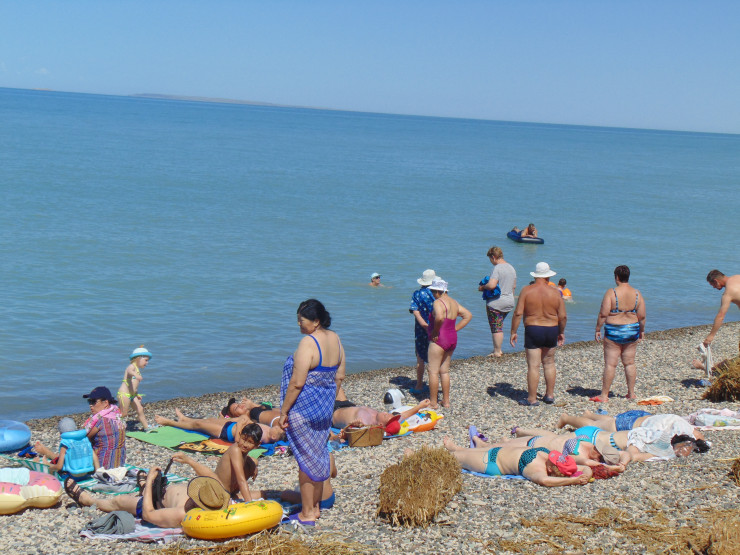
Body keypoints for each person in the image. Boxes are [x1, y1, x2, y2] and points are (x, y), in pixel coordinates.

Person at [279, 299, 346, 526]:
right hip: (323, 411)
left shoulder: (308, 343)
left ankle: (307, 513)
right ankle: (315, 507)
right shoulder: (335, 339)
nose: (299, 324)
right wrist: (327, 402)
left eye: (302, 320)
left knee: (305, 461)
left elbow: (297, 383)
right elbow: (339, 376)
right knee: (317, 455)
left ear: (316, 321)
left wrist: (284, 411)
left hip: (303, 412)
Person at [64, 472, 228, 528]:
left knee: (118, 501)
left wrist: (149, 481)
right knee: (150, 485)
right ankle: (144, 487)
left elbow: (149, 514)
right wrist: (189, 460)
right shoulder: (215, 498)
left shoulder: (181, 513)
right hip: (163, 491)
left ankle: (88, 500)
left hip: (154, 504)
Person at [510, 262, 567, 406]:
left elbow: (518, 313)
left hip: (533, 328)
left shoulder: (526, 290)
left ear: (535, 276)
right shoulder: (555, 292)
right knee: (549, 363)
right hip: (551, 329)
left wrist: (513, 331)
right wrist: (561, 332)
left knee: (533, 366)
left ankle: (532, 399)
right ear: (548, 276)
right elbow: (563, 316)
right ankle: (549, 395)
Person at [592, 265, 646, 402]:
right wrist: (642, 330)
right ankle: (631, 393)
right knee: (629, 363)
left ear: (616, 277)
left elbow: (603, 314)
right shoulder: (637, 293)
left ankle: (604, 395)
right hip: (631, 330)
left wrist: (598, 329)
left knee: (611, 364)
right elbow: (642, 316)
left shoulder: (611, 293)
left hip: (614, 330)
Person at [442, 437, 591, 486]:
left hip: (491, 462)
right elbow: (585, 468)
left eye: (554, 460)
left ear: (552, 469)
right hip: (496, 451)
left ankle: (455, 451)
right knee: (459, 451)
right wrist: (584, 476)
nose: (552, 456)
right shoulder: (560, 464)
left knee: (450, 458)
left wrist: (572, 481)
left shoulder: (538, 470)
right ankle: (458, 448)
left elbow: (545, 481)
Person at [170, 422, 262, 502]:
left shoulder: (243, 453)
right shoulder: (236, 450)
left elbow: (249, 460)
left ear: (257, 445)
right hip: (218, 491)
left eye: (250, 442)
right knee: (213, 477)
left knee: (254, 463)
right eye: (243, 439)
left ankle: (234, 496)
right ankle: (188, 460)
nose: (245, 444)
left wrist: (253, 466)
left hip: (230, 493)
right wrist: (249, 504)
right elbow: (241, 480)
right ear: (239, 435)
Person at [426, 278, 472, 409]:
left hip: (439, 339)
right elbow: (468, 315)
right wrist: (455, 329)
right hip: (452, 338)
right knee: (444, 371)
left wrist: (435, 331)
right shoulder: (454, 302)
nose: (432, 294)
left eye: (433, 291)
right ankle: (446, 401)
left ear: (438, 291)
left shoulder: (438, 302)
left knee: (433, 371)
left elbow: (440, 317)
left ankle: (433, 403)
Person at [154, 409, 285, 444]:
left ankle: (169, 422)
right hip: (231, 425)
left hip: (226, 432)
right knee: (210, 420)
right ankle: (185, 419)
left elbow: (239, 440)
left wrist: (241, 423)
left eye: (278, 429)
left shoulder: (262, 437)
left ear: (274, 436)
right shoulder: (268, 430)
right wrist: (244, 420)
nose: (277, 427)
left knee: (199, 425)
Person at [331, 386, 431, 429]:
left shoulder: (366, 425)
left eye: (386, 416)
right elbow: (404, 415)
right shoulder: (382, 417)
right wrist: (420, 406)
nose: (386, 413)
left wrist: (354, 425)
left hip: (332, 412)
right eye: (388, 414)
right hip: (347, 405)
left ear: (380, 424)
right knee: (336, 379)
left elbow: (349, 432)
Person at [479, 247, 517, 358]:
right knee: (499, 325)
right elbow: (514, 286)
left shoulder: (497, 268)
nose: (491, 262)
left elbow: (492, 285)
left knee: (496, 327)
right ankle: (498, 348)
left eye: (490, 259)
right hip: (509, 301)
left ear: (494, 257)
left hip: (497, 303)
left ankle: (497, 351)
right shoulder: (511, 268)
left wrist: (482, 287)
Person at [33, 417, 97, 475]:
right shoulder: (85, 440)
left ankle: (41, 467)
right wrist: (97, 473)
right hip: (85, 474)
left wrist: (48, 465)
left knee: (52, 468)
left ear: (61, 433)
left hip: (72, 476)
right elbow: (95, 458)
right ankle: (48, 454)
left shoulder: (65, 444)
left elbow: (59, 467)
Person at [83, 386, 127, 468]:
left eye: (93, 401)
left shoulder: (100, 420)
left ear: (106, 403)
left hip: (103, 465)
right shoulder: (117, 415)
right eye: (89, 401)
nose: (91, 405)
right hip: (119, 463)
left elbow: (85, 438)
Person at [409, 269, 438, 393]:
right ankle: (434, 384)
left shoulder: (417, 294)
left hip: (421, 329)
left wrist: (423, 324)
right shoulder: (437, 293)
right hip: (436, 327)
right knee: (435, 357)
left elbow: (415, 311)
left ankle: (419, 385)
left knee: (420, 357)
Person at [117, 346, 152, 431]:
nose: (147, 363)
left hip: (132, 395)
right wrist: (135, 374)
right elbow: (129, 371)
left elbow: (133, 385)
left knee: (140, 409)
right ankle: (114, 427)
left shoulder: (137, 369)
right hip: (124, 394)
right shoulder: (132, 366)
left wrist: (136, 394)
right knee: (123, 413)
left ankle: (146, 427)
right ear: (138, 358)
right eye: (146, 360)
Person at [702, 270, 740, 349]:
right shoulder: (737, 277)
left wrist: (710, 336)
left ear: (716, 281)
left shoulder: (728, 294)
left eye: (712, 285)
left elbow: (721, 316)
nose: (714, 287)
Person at [557, 409, 654, 432]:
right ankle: (566, 418)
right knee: (595, 426)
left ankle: (590, 415)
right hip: (631, 426)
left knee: (613, 421)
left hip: (646, 418)